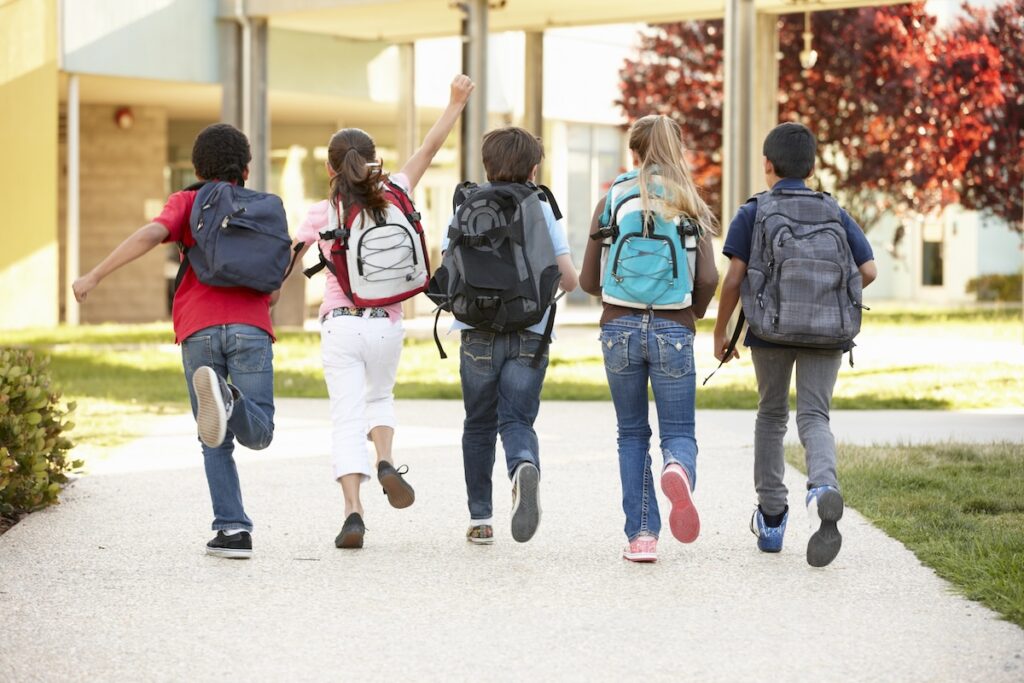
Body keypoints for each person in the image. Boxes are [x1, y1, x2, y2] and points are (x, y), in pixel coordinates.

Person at [72, 123, 279, 559]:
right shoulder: (262, 210)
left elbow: (151, 234)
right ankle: (232, 401)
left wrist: (95, 274)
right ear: (246, 168)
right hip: (251, 328)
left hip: (198, 330)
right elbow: (273, 288)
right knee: (259, 435)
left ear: (196, 167)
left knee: (212, 438)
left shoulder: (188, 201)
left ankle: (233, 530)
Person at [291, 75, 474, 549]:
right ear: (374, 161)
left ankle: (353, 511)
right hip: (387, 324)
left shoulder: (321, 211)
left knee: (346, 419)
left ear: (332, 169)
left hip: (340, 325)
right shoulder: (398, 188)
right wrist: (454, 102)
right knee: (381, 398)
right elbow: (431, 147)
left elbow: (283, 260)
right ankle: (386, 458)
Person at [713, 121, 877, 567]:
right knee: (814, 415)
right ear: (811, 166)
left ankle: (771, 519)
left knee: (771, 415)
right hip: (828, 331)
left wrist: (721, 331)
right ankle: (822, 488)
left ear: (767, 164)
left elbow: (733, 278)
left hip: (770, 329)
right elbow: (869, 270)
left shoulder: (754, 211)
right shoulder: (834, 211)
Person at [580, 115, 720, 563]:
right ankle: (677, 468)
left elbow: (587, 279)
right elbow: (710, 276)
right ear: (676, 151)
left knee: (632, 433)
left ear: (634, 152)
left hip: (619, 327)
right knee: (678, 430)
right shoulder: (688, 201)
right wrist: (690, 312)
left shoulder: (613, 198)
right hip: (673, 328)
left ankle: (642, 536)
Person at [444, 127, 579, 545]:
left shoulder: (467, 203)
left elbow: (448, 269)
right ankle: (522, 464)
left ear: (486, 164)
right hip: (530, 332)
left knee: (478, 423)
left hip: (476, 333)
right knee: (516, 419)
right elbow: (570, 280)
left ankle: (480, 518)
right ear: (534, 168)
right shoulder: (540, 206)